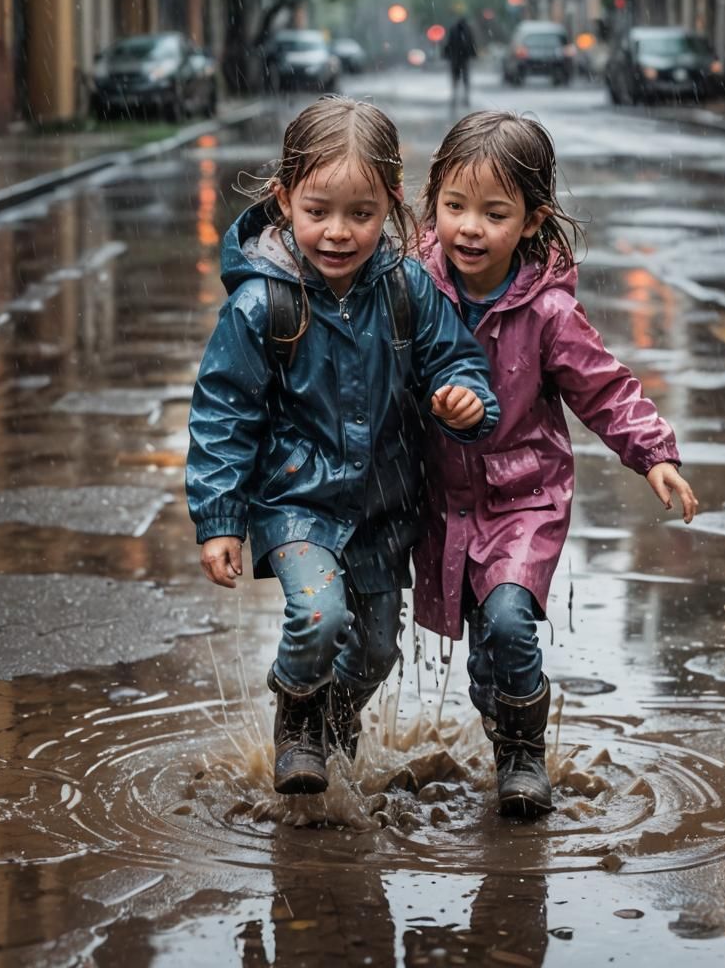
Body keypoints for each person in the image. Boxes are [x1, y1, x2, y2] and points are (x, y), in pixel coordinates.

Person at [186, 97, 499, 797]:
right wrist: (220, 519)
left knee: (378, 648)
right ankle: (297, 715)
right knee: (319, 616)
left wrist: (464, 397)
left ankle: (331, 720)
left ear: (388, 207)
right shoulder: (264, 303)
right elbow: (223, 412)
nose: (337, 233)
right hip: (296, 502)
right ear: (284, 199)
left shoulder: (405, 288)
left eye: (360, 214)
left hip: (382, 509)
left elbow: (455, 359)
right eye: (318, 210)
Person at [414, 111, 698, 818]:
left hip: (524, 499)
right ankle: (502, 717)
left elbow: (604, 387)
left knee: (507, 621)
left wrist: (653, 454)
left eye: (494, 213)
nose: (469, 228)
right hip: (442, 501)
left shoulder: (548, 313)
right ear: (434, 203)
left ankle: (521, 754)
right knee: (486, 653)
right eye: (455, 207)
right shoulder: (412, 288)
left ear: (533, 220)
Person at [443, 16, 477, 106]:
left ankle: (457, 97)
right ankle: (462, 97)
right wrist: (473, 54)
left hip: (457, 58)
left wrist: (446, 54)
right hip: (462, 58)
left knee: (457, 79)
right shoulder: (467, 30)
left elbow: (449, 43)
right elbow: (471, 43)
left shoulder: (455, 30)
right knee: (463, 79)